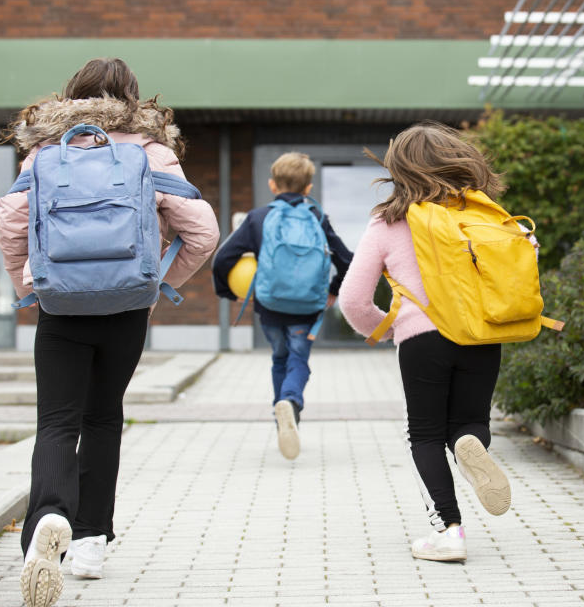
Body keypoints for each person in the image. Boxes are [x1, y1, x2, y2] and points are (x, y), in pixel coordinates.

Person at [0, 57, 219, 607]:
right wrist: (160, 285)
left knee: (56, 420)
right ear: (134, 99)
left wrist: (27, 285)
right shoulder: (151, 151)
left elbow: (10, 222)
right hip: (126, 309)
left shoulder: (47, 150)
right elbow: (204, 231)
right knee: (103, 418)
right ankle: (92, 540)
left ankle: (47, 518)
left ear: (72, 95)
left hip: (61, 307)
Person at [339, 122, 515, 562]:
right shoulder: (485, 212)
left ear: (400, 169)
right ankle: (468, 446)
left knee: (423, 433)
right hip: (481, 335)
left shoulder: (388, 220)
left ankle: (448, 532)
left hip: (422, 338)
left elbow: (353, 299)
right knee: (470, 422)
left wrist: (385, 327)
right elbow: (523, 258)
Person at [211, 152, 353, 460]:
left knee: (279, 358)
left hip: (270, 306)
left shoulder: (258, 218)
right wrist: (333, 290)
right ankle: (290, 402)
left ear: (272, 185)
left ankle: (282, 418)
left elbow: (222, 259)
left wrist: (227, 292)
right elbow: (347, 260)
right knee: (298, 359)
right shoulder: (317, 217)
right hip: (307, 308)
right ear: (308, 188)